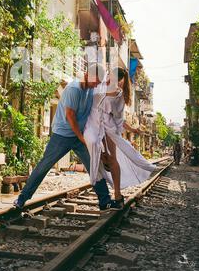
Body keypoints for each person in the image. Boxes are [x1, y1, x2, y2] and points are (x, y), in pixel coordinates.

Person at [13, 63, 120, 211]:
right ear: (88, 75)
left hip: (79, 136)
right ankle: (21, 199)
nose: (97, 84)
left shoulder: (91, 87)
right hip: (62, 136)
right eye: (96, 81)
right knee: (44, 165)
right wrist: (82, 138)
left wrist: (109, 82)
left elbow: (103, 88)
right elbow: (70, 116)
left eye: (99, 82)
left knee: (94, 166)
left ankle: (105, 201)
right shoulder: (73, 89)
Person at [84, 67, 156, 210]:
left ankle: (117, 193)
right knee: (94, 149)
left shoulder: (119, 95)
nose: (112, 80)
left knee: (113, 158)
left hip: (109, 126)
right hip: (93, 122)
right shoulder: (100, 85)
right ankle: (102, 168)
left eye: (116, 79)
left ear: (120, 80)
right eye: (111, 76)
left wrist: (131, 130)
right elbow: (90, 98)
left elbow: (119, 119)